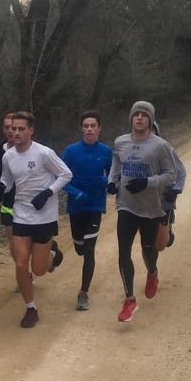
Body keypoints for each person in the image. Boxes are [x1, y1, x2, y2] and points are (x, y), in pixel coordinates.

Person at [0, 111, 72, 328]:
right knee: (20, 263)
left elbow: (66, 174)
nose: (15, 132)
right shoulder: (8, 156)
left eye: (21, 129)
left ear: (31, 130)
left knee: (39, 269)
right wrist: (1, 187)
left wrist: (47, 193)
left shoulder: (44, 153)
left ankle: (52, 253)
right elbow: (7, 179)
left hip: (44, 216)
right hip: (21, 214)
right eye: (13, 128)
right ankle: (30, 308)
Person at [108, 101, 176, 322]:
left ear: (150, 120)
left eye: (144, 115)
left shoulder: (160, 146)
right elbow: (116, 166)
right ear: (131, 118)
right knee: (123, 251)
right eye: (135, 114)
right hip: (125, 205)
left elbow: (170, 175)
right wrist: (112, 182)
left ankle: (153, 273)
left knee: (148, 250)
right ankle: (129, 300)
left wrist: (147, 182)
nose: (139, 117)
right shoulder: (120, 142)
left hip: (150, 208)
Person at [62, 110, 113, 311]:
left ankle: (83, 293)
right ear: (82, 129)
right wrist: (75, 192)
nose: (89, 129)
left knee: (89, 251)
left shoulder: (107, 151)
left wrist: (106, 182)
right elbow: (59, 177)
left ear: (99, 128)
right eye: (86, 126)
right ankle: (76, 246)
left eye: (93, 125)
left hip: (94, 206)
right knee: (80, 248)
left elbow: (113, 176)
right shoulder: (71, 151)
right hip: (76, 206)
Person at [0, 112, 34, 292]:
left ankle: (47, 253)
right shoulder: (1, 150)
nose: (11, 131)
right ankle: (24, 274)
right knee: (14, 244)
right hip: (9, 204)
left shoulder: (32, 150)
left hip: (30, 205)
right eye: (7, 127)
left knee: (31, 244)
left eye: (14, 127)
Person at [150, 121, 187, 251]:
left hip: (165, 198)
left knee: (162, 243)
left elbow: (181, 172)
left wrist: (176, 190)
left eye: (152, 130)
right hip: (146, 200)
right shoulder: (138, 152)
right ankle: (152, 267)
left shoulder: (168, 150)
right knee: (149, 239)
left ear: (157, 133)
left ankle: (168, 227)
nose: (149, 132)